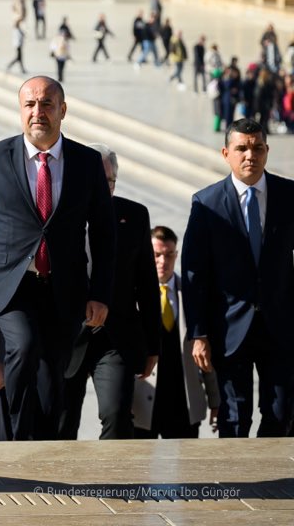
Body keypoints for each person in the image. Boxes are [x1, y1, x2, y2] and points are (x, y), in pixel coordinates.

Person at [0, 75, 115, 440]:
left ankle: (43, 451)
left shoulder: (87, 163)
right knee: (25, 347)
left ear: (63, 110)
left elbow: (106, 236)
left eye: (46, 104)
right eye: (29, 104)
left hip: (65, 288)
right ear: (20, 110)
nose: (37, 112)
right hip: (12, 286)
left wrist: (101, 294)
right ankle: (15, 438)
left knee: (51, 377)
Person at [182, 117, 294, 437]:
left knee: (282, 411)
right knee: (234, 417)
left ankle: (274, 483)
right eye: (242, 148)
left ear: (267, 151)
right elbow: (194, 272)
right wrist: (199, 333)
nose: (250, 155)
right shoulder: (207, 203)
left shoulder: (288, 196)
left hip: (281, 327)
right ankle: (242, 486)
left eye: (257, 148)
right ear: (226, 153)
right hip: (229, 329)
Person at [59, 145, 159, 440]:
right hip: (67, 336)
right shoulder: (59, 214)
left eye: (109, 181)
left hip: (115, 337)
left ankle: (111, 484)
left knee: (117, 415)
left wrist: (153, 346)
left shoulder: (135, 216)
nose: (103, 188)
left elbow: (147, 283)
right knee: (61, 423)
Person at [133, 226, 220, 438]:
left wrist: (215, 401)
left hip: (184, 404)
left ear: (176, 254)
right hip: (141, 403)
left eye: (169, 254)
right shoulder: (131, 295)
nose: (163, 261)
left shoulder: (194, 296)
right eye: (157, 255)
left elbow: (206, 352)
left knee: (186, 468)